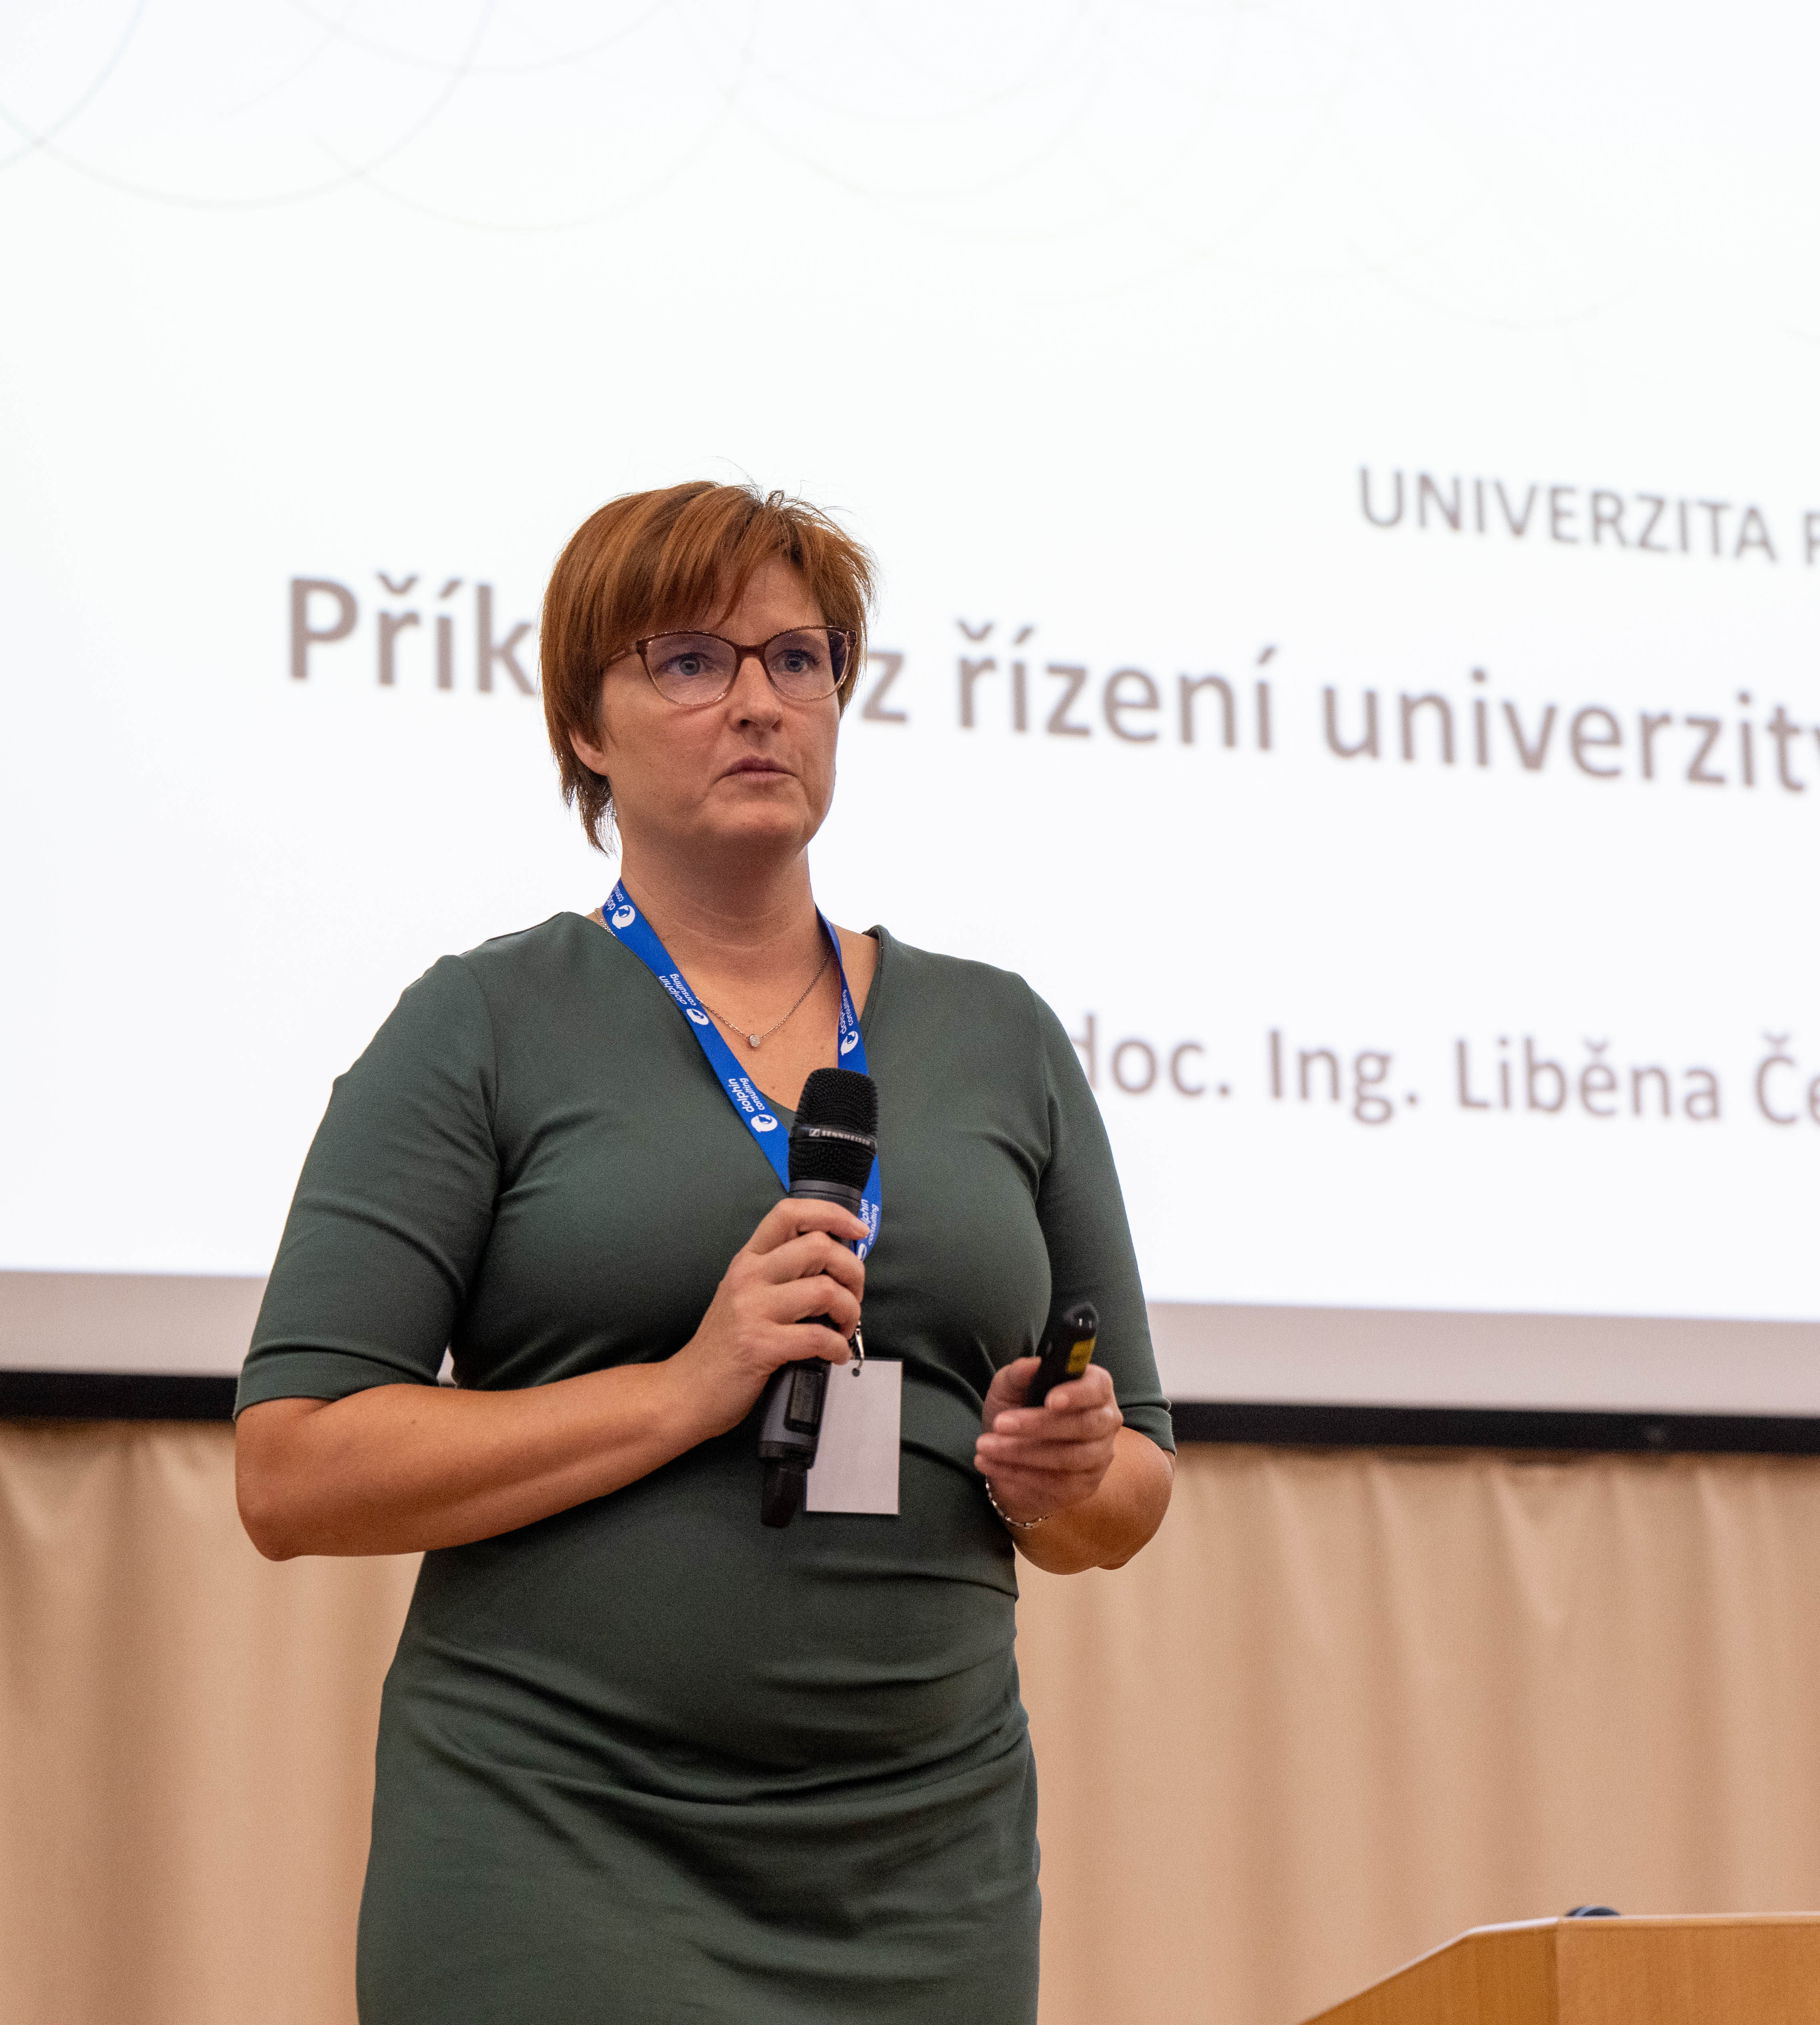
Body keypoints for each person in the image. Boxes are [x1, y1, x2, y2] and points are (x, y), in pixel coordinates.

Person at [232, 481, 1174, 2023]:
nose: (758, 702)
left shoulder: (997, 1034)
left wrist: (1060, 1475)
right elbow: (293, 1470)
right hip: (555, 1845)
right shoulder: (483, 1025)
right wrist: (682, 1390)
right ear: (583, 729)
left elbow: (1130, 1492)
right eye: (689, 661)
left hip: (922, 1867)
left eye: (799, 659)